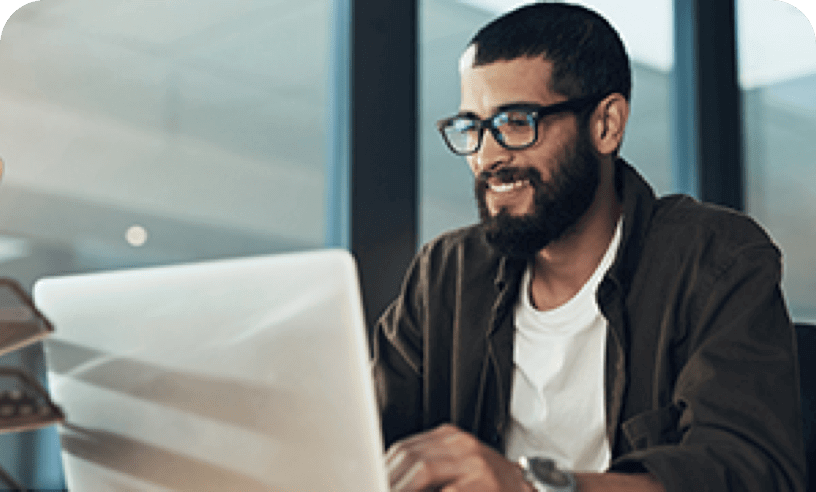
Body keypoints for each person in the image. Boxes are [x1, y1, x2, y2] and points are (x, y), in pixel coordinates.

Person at [370, 3, 806, 492]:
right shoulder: (445, 273)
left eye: (516, 121)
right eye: (472, 128)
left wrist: (528, 485)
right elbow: (364, 435)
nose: (487, 156)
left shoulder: (715, 258)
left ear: (606, 124)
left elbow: (751, 472)